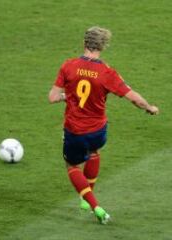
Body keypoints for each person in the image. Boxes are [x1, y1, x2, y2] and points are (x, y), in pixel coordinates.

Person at [48, 26, 159, 224]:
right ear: (103, 46)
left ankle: (94, 205)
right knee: (93, 152)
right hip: (98, 130)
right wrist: (149, 107)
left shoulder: (68, 66)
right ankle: (85, 198)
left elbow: (53, 97)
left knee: (72, 165)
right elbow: (133, 98)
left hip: (75, 129)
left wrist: (68, 96)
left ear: (84, 43)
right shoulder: (107, 72)